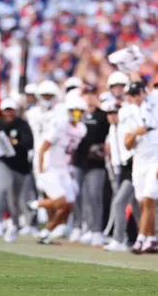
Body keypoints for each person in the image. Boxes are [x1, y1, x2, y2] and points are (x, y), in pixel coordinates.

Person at [29, 94, 88, 244]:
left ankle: (46, 232)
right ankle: (34, 204)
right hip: (51, 168)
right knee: (61, 201)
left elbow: (71, 150)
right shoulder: (59, 126)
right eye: (74, 110)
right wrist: (41, 170)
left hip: (64, 169)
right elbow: (43, 148)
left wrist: (70, 169)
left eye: (79, 111)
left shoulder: (81, 129)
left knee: (68, 205)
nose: (76, 114)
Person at [0, 98, 33, 243]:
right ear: (2, 111)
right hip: (2, 162)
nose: (9, 113)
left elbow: (29, 143)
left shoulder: (22, 124)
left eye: (11, 110)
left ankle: (14, 224)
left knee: (16, 197)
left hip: (19, 165)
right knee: (4, 188)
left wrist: (15, 142)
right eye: (6, 110)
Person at [70, 86, 110, 246]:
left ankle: (96, 230)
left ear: (96, 96)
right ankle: (79, 226)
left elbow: (109, 137)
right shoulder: (77, 114)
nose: (88, 97)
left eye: (91, 94)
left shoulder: (103, 115)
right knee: (77, 195)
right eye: (85, 94)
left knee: (94, 196)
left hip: (96, 162)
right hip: (78, 161)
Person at [124, 81, 158, 254]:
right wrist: (136, 132)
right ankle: (152, 239)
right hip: (140, 161)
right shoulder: (129, 113)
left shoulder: (155, 103)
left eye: (138, 93)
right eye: (133, 94)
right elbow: (127, 145)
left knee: (150, 197)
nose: (136, 97)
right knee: (143, 203)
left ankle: (140, 239)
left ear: (145, 92)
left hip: (155, 159)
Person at [101, 100, 139, 252]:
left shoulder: (126, 126)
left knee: (119, 202)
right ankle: (147, 236)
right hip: (121, 169)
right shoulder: (112, 128)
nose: (111, 116)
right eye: (109, 113)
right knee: (136, 207)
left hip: (132, 166)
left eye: (114, 113)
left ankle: (119, 239)